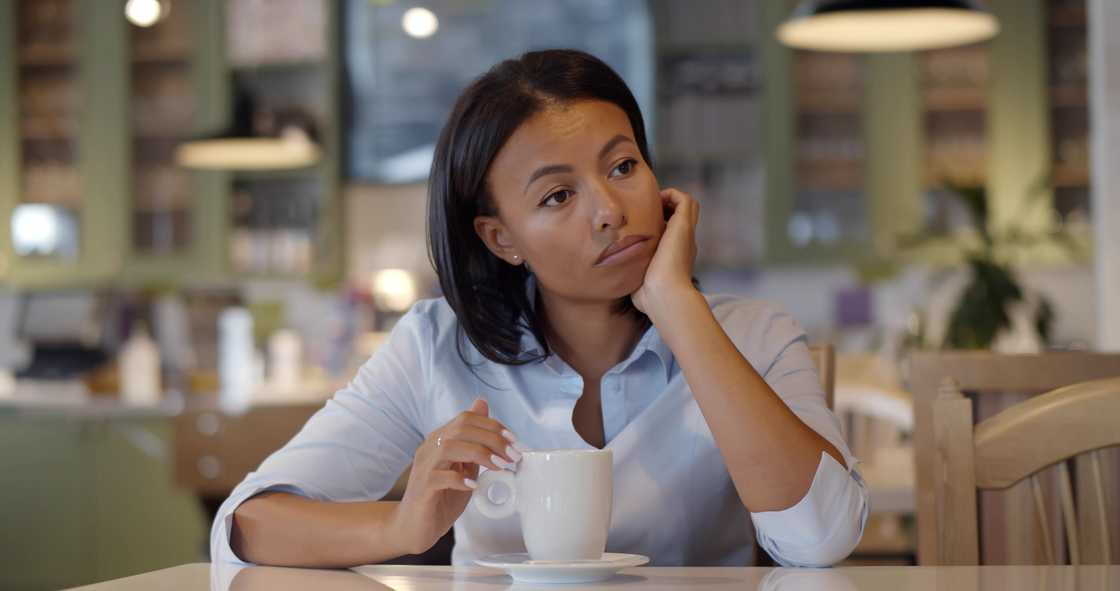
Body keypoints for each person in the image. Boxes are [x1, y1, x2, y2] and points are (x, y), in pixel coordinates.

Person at [211, 49, 868, 568]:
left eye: (622, 166)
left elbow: (822, 538)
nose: (610, 210)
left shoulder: (754, 334)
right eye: (558, 196)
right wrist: (402, 523)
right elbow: (246, 522)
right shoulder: (437, 346)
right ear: (502, 238)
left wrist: (677, 304)